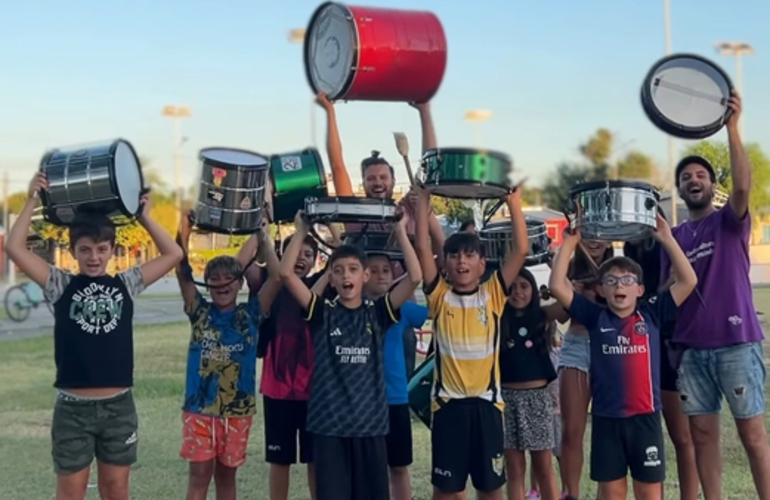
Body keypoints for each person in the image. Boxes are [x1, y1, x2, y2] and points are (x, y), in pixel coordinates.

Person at [4, 173, 183, 500]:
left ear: (112, 250)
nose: (94, 256)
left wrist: (142, 214)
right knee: (70, 493)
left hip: (118, 408)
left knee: (116, 490)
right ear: (73, 251)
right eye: (85, 249)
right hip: (73, 410)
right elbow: (14, 247)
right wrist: (31, 199)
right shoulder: (60, 284)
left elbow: (173, 254)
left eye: (102, 249)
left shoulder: (125, 284)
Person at [661, 91, 770, 500]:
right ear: (681, 189)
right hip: (691, 349)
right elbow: (664, 292)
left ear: (711, 184)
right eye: (686, 177)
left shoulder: (729, 222)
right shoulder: (673, 236)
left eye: (701, 175)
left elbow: (743, 187)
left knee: (752, 435)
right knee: (702, 437)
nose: (693, 180)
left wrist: (732, 128)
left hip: (736, 344)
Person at [548, 214, 697, 500]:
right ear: (602, 290)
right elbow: (557, 286)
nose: (619, 286)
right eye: (612, 281)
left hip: (645, 421)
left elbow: (688, 280)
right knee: (612, 493)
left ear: (639, 289)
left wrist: (666, 238)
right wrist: (569, 242)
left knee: (649, 493)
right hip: (607, 422)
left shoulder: (651, 313)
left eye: (627, 280)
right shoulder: (594, 317)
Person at [279, 210, 422, 500]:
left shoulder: (380, 313)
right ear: (331, 278)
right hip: (329, 428)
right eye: (339, 270)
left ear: (365, 275)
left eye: (354, 269)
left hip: (370, 427)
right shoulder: (321, 313)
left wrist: (401, 228)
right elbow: (285, 274)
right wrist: (301, 229)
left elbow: (416, 277)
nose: (346, 275)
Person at [415, 186, 529, 500]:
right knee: (446, 490)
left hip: (487, 407)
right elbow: (424, 250)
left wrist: (514, 204)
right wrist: (422, 201)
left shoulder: (492, 294)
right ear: (446, 263)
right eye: (454, 255)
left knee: (490, 489)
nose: (461, 261)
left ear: (482, 263)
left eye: (469, 255)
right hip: (449, 409)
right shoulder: (439, 296)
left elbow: (519, 250)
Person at [175, 215, 272, 500]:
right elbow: (181, 270)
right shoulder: (199, 312)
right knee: (199, 477)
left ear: (240, 282)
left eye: (228, 278)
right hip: (199, 409)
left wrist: (262, 236)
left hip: (237, 412)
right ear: (206, 284)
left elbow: (278, 277)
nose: (221, 283)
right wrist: (184, 227)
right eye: (213, 279)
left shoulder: (251, 314)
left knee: (227, 479)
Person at [253, 228, 339, 500]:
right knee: (280, 459)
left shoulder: (322, 286)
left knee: (316, 458)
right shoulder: (273, 286)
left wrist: (328, 227)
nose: (302, 258)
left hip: (315, 391)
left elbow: (340, 253)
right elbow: (265, 262)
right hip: (278, 388)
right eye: (296, 252)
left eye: (308, 254)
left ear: (316, 260)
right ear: (283, 255)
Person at [314, 92, 446, 266]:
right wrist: (329, 111)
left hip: (404, 290)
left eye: (383, 177)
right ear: (364, 183)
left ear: (393, 180)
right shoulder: (354, 212)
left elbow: (429, 165)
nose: (378, 182)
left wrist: (424, 111)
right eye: (371, 178)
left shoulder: (410, 207)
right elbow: (337, 165)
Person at [624, 229, 699, 500]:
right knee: (646, 434)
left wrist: (661, 291)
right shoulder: (629, 246)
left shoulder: (668, 239)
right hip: (640, 342)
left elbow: (684, 280)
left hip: (669, 338)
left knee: (682, 436)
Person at [499, 268, 567, 500]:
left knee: (543, 465)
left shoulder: (541, 314)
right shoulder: (499, 317)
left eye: (524, 286)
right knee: (515, 467)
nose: (518, 292)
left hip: (537, 397)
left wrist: (557, 267)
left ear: (534, 290)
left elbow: (567, 305)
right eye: (512, 287)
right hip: (506, 399)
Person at [364, 252, 428, 500]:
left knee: (399, 466)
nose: (381, 275)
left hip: (396, 399)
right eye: (374, 270)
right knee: (371, 468)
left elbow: (432, 307)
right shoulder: (353, 308)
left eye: (386, 270)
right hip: (365, 402)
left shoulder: (402, 309)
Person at [557, 240, 614, 499]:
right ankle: (571, 494)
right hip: (577, 345)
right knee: (572, 429)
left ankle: (608, 493)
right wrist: (570, 294)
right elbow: (560, 316)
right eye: (589, 233)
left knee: (610, 427)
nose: (594, 240)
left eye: (600, 234)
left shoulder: (618, 268)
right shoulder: (568, 267)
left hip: (610, 347)